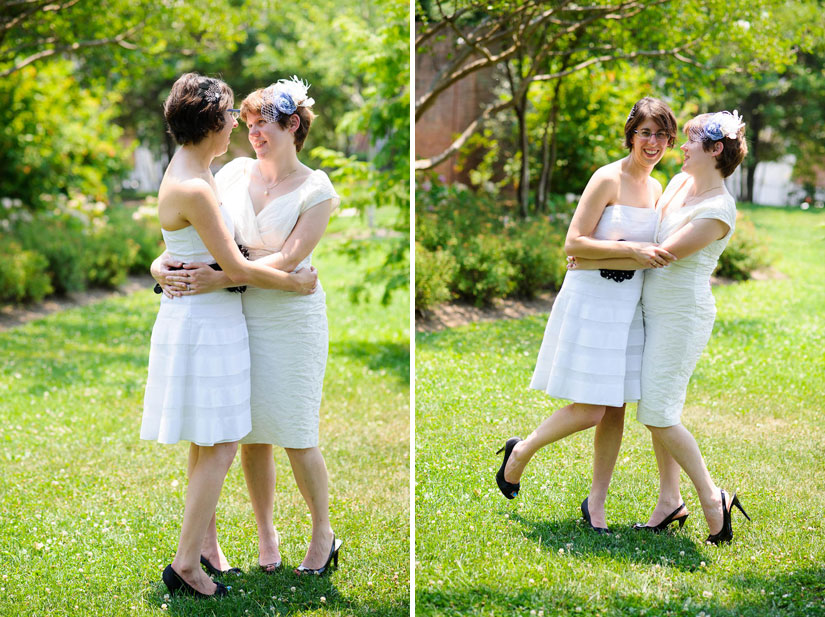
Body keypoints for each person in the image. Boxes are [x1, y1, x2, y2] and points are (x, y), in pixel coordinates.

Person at [153, 76, 342, 575]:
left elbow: (289, 259)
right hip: (239, 315)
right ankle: (267, 536)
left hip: (289, 318)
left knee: (298, 434)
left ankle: (323, 532)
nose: (252, 132)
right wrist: (162, 267)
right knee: (251, 436)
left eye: (264, 124)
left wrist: (225, 278)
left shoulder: (317, 189)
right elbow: (198, 239)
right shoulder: (232, 173)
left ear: (293, 125)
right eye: (249, 123)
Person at [496, 97, 678, 533]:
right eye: (645, 133)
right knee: (592, 408)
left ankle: (596, 504)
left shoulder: (658, 189)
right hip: (592, 302)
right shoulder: (607, 178)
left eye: (661, 135)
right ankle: (521, 452)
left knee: (614, 408)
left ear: (670, 140)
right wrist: (627, 250)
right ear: (631, 135)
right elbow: (573, 243)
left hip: (628, 308)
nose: (652, 142)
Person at [568, 110, 751, 544]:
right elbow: (645, 243)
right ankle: (671, 501)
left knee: (658, 414)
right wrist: (595, 254)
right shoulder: (679, 184)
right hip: (649, 310)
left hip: (681, 317)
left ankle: (713, 499)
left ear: (715, 150)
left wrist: (589, 257)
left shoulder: (718, 210)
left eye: (689, 142)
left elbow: (660, 254)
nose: (680, 147)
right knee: (658, 409)